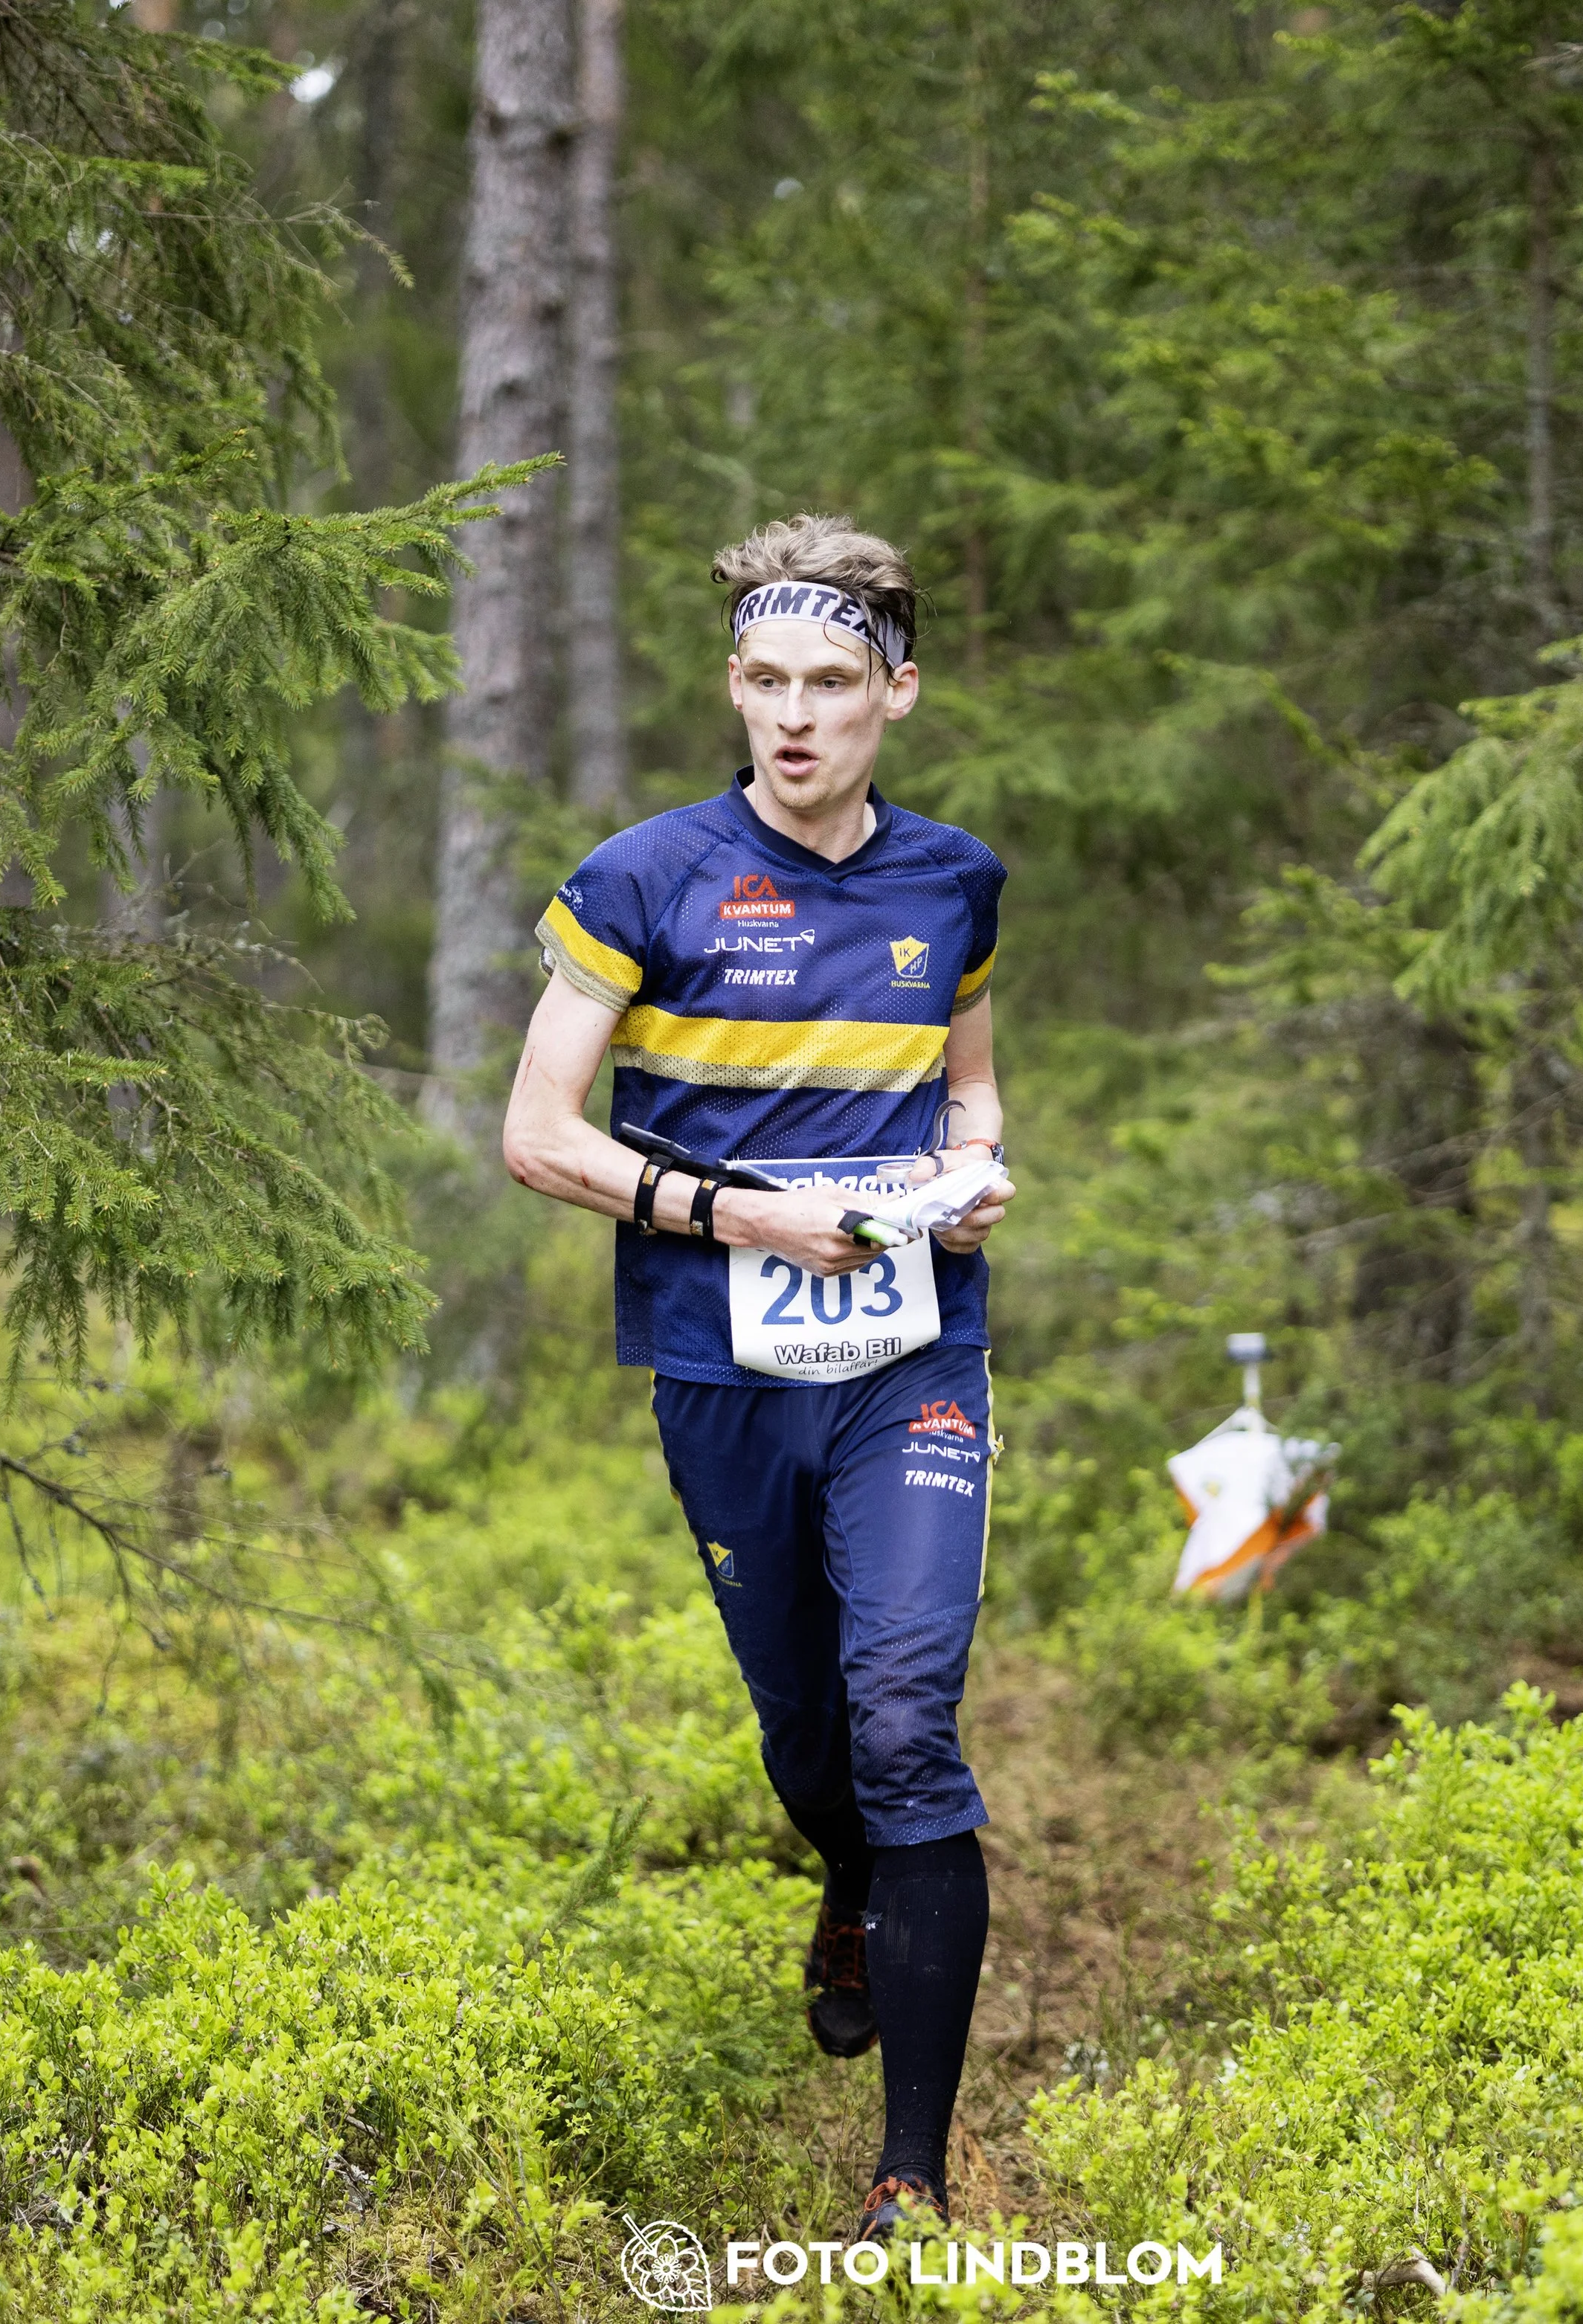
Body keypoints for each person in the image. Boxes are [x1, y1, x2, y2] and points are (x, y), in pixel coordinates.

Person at [501, 513, 1013, 2238]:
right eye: (766, 680)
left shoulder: (953, 881)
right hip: (723, 1366)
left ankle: (909, 2172)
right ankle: (849, 1872)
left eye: (830, 683)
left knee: (903, 1714)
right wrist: (736, 1212)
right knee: (811, 1740)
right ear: (734, 683)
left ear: (896, 691)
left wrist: (973, 1163)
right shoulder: (641, 878)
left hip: (912, 1353)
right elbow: (535, 1134)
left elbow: (969, 1084)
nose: (795, 716)